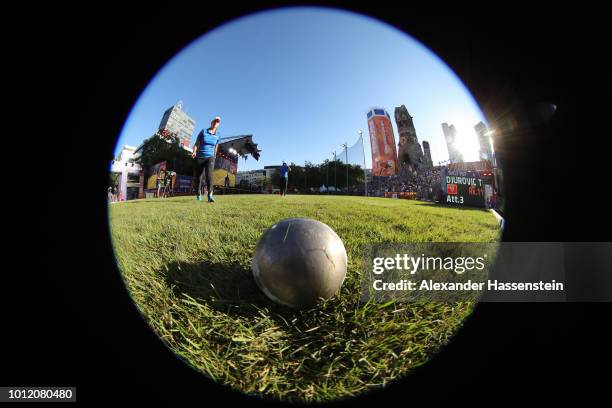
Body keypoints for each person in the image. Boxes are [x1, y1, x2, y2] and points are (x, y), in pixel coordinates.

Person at [192, 116, 221, 202]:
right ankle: (198, 193)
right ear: (211, 122)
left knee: (209, 175)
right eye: (215, 121)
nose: (216, 123)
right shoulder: (203, 131)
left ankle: (210, 196)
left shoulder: (218, 135)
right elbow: (196, 143)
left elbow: (216, 146)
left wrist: (215, 155)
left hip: (210, 157)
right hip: (200, 156)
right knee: (199, 177)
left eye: (218, 122)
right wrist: (194, 152)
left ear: (218, 124)